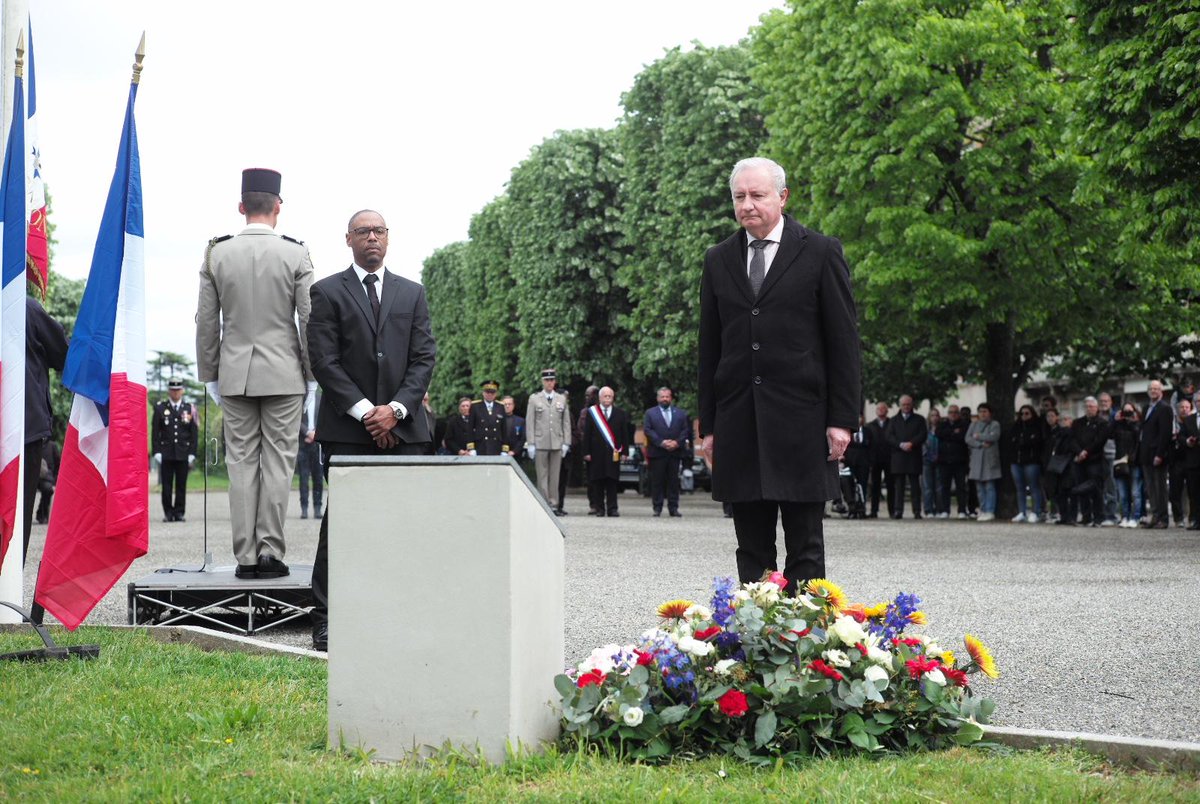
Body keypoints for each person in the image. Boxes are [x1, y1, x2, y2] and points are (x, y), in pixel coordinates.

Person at [698, 156, 861, 592]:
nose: (747, 205)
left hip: (802, 423)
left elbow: (843, 342)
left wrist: (842, 419)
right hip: (739, 423)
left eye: (757, 195)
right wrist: (708, 426)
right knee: (751, 551)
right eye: (739, 197)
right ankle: (757, 644)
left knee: (806, 547)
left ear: (782, 197)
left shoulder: (821, 252)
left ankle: (807, 647)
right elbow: (709, 348)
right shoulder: (717, 260)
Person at [307, 208, 436, 652]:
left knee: (409, 524)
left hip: (407, 430)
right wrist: (367, 412)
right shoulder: (325, 292)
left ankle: (408, 613)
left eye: (378, 231)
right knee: (342, 525)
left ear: (388, 237)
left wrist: (396, 411)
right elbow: (324, 361)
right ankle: (326, 619)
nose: (372, 238)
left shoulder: (413, 293)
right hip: (347, 428)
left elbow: (424, 358)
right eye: (362, 232)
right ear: (348, 239)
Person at [196, 168, 316, 580]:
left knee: (241, 464)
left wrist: (210, 373)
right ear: (277, 206)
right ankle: (270, 551)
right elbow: (308, 321)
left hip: (233, 373)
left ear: (242, 206)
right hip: (284, 373)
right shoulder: (296, 253)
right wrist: (312, 375)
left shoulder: (217, 252)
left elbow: (207, 322)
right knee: (279, 464)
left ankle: (246, 557)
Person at [23, 296, 68, 559]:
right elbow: (62, 353)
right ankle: (9, 586)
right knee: (20, 508)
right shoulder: (26, 307)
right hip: (25, 426)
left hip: (24, 424)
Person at [151, 378, 198, 523]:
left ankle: (179, 512)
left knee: (181, 485)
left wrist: (192, 453)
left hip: (183, 453)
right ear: (169, 391)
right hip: (166, 453)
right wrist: (156, 451)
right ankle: (168, 513)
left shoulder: (190, 408)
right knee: (166, 485)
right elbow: (155, 432)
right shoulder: (160, 408)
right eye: (173, 390)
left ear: (182, 390)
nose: (176, 392)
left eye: (178, 390)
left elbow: (194, 433)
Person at [525, 369, 571, 515]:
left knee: (555, 475)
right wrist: (531, 443)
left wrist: (566, 442)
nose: (550, 383)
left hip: (557, 441)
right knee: (542, 474)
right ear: (543, 381)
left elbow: (566, 421)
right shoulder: (534, 399)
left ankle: (553, 503)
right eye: (547, 380)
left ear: (554, 381)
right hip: (540, 441)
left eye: (552, 380)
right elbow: (530, 421)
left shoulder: (561, 399)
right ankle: (543, 502)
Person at [582, 386, 628, 517]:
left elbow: (624, 434)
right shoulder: (592, 413)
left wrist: (625, 452)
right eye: (605, 396)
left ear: (613, 398)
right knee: (598, 482)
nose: (607, 399)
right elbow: (587, 434)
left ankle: (613, 508)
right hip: (596, 453)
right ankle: (599, 508)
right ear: (600, 398)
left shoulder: (620, 413)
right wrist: (586, 452)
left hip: (614, 453)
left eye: (610, 396)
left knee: (612, 481)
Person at [643, 387, 690, 517]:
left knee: (673, 482)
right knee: (657, 481)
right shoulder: (650, 413)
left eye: (667, 396)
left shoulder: (681, 414)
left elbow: (685, 431)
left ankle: (673, 508)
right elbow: (648, 430)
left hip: (675, 453)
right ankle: (657, 508)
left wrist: (676, 443)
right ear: (658, 398)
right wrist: (661, 442)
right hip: (657, 453)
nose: (665, 399)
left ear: (671, 398)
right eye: (662, 396)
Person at [1070, 396, 1111, 527]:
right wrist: (1079, 452)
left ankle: (1098, 517)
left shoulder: (1102, 423)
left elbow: (1099, 441)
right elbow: (1072, 439)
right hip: (1080, 460)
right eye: (1086, 406)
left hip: (1095, 460)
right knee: (1082, 489)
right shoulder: (1077, 423)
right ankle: (1086, 517)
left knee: (1096, 489)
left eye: (1091, 406)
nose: (1089, 409)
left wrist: (1085, 452)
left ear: (1096, 408)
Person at [886, 395, 926, 519]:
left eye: (908, 404)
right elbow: (889, 436)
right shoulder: (893, 420)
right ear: (900, 405)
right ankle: (898, 510)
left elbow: (923, 434)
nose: (906, 407)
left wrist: (912, 443)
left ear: (912, 405)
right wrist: (900, 444)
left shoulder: (919, 419)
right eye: (904, 404)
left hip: (913, 456)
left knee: (915, 486)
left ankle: (917, 511)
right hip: (899, 457)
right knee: (899, 487)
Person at [1139, 379, 1172, 529]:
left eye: (1156, 389)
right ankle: (1155, 516)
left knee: (1160, 488)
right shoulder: (1146, 408)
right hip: (1146, 454)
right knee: (1151, 488)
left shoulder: (1165, 408)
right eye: (1151, 389)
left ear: (1161, 391)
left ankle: (1163, 519)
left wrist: (1160, 454)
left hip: (1157, 454)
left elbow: (1165, 434)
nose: (1153, 391)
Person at [1008, 404, 1045, 523]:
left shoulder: (1037, 426)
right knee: (1020, 488)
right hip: (1016, 461)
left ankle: (1036, 512)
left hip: (1031, 461)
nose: (1024, 416)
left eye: (1027, 413)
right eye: (1022, 413)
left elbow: (1035, 442)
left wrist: (1023, 442)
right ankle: (1021, 512)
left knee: (1034, 487)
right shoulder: (1016, 427)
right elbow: (1012, 442)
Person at [966, 402, 1001, 521]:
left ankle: (990, 510)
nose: (982, 414)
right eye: (980, 411)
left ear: (990, 413)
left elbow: (994, 437)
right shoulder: (973, 424)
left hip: (989, 459)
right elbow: (968, 438)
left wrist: (978, 436)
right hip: (976, 458)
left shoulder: (995, 424)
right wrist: (980, 443)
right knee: (979, 487)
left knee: (990, 486)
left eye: (985, 411)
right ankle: (983, 509)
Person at [1112, 402, 1142, 528]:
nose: (1128, 414)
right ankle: (1124, 516)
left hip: (1134, 461)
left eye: (1130, 411)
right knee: (1123, 493)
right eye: (1125, 411)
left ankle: (1135, 517)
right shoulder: (1118, 425)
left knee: (1135, 492)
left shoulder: (1138, 424)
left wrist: (1134, 422)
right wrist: (1115, 421)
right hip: (1120, 461)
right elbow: (1108, 435)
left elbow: (1139, 440)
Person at [936, 404, 969, 518]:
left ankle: (962, 510)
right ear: (947, 414)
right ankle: (945, 510)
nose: (953, 414)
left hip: (959, 461)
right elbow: (939, 434)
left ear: (958, 413)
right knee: (945, 487)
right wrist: (953, 433)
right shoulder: (942, 424)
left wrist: (950, 435)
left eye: (955, 412)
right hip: (944, 461)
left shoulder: (964, 424)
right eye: (950, 412)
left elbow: (962, 437)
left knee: (961, 487)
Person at [296, 387, 322, 519]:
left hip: (318, 445)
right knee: (304, 478)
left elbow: (325, 418)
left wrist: (316, 434)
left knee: (318, 478)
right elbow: (295, 419)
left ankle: (318, 508)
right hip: (302, 445)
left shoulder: (321, 399)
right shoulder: (299, 399)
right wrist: (307, 432)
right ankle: (304, 509)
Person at [467, 380, 507, 456]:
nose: (489, 394)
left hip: (496, 445)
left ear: (496, 394)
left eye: (492, 392)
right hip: (480, 445)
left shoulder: (500, 406)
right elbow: (470, 428)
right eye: (487, 392)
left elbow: (504, 428)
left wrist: (505, 449)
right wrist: (471, 448)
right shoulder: (475, 406)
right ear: (483, 393)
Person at [865, 401, 890, 518]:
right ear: (876, 411)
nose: (881, 410)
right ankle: (874, 511)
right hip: (875, 459)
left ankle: (892, 510)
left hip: (889, 459)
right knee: (875, 486)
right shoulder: (870, 426)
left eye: (883, 408)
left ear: (887, 410)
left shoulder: (892, 424)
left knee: (891, 485)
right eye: (879, 408)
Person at [843, 414, 871, 518]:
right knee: (848, 485)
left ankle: (861, 508)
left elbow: (871, 447)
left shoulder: (868, 431)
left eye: (860, 417)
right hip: (849, 462)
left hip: (863, 462)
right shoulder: (846, 431)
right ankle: (852, 508)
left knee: (862, 485)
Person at [921, 408, 941, 517]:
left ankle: (939, 509)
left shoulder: (942, 429)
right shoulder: (925, 430)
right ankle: (928, 509)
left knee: (939, 487)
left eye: (936, 415)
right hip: (926, 460)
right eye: (932, 415)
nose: (934, 417)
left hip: (939, 459)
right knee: (927, 486)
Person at [501, 395, 525, 460]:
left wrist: (514, 451)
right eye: (505, 404)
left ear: (513, 405)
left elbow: (522, 439)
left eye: (509, 404)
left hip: (516, 455)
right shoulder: (496, 420)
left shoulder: (520, 421)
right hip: (499, 454)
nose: (507, 406)